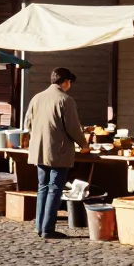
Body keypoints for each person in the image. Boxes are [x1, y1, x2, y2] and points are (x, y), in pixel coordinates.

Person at [23, 67, 87, 240]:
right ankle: (48, 229)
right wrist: (84, 144)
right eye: (70, 83)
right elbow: (73, 128)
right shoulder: (66, 100)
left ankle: (39, 226)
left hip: (38, 150)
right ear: (65, 82)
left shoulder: (37, 98)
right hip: (58, 151)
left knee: (43, 187)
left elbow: (27, 123)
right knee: (54, 189)